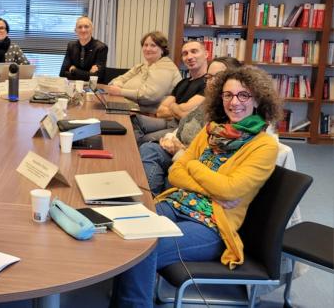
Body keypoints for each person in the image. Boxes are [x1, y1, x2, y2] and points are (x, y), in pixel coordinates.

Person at [111, 66, 283, 307]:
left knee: (142, 248)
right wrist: (203, 176)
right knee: (124, 229)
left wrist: (192, 165)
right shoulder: (211, 130)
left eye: (243, 95)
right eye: (228, 95)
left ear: (257, 100)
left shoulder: (264, 146)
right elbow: (175, 171)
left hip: (211, 224)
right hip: (175, 203)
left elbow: (230, 191)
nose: (234, 102)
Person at [140, 56, 242, 194]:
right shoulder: (205, 104)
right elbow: (182, 124)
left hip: (194, 164)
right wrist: (171, 138)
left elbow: (209, 159)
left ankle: (152, 203)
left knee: (172, 174)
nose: (211, 82)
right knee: (149, 148)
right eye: (209, 77)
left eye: (217, 77)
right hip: (179, 153)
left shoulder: (233, 113)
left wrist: (179, 151)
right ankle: (149, 200)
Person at [132, 40, 209, 143]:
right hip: (169, 121)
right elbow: (160, 111)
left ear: (206, 54)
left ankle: (136, 154)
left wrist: (172, 106)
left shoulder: (209, 83)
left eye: (194, 51)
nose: (189, 57)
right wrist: (178, 109)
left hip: (183, 128)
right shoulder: (183, 82)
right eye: (185, 54)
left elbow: (184, 115)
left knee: (145, 139)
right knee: (133, 120)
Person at [106, 31, 182, 113]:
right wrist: (118, 86)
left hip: (150, 114)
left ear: (162, 49)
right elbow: (116, 81)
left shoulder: (165, 67)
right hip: (131, 106)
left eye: (153, 45)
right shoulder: (142, 66)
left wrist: (120, 91)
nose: (148, 49)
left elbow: (149, 97)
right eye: (145, 45)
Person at [59, 16, 108, 81]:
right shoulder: (71, 46)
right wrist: (89, 73)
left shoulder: (101, 48)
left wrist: (73, 70)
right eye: (80, 27)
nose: (83, 30)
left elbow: (98, 77)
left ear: (92, 29)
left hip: (93, 89)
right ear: (75, 30)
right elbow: (62, 73)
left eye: (86, 27)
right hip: (74, 86)